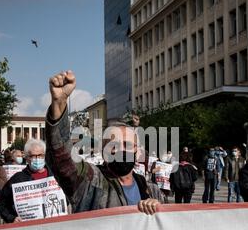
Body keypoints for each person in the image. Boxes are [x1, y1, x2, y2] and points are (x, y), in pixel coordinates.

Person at [45, 70, 164, 215]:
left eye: (127, 145)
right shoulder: (91, 183)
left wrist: (159, 209)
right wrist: (59, 103)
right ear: (103, 151)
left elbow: (170, 226)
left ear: (138, 151)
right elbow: (63, 160)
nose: (120, 151)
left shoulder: (151, 190)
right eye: (113, 145)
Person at [0, 139, 56, 223]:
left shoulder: (55, 176)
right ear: (27, 158)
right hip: (29, 228)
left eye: (40, 155)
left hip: (53, 226)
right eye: (33, 156)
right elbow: (1, 202)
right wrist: (12, 218)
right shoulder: (17, 179)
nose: (37, 158)